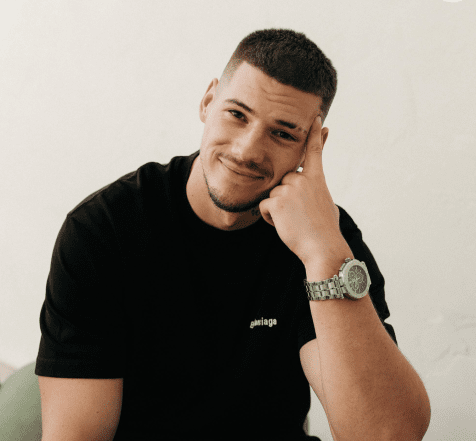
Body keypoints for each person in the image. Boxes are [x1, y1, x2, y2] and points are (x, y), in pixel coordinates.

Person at [35, 28, 429, 441]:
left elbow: (387, 434)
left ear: (312, 145)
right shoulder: (103, 230)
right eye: (237, 114)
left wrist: (322, 255)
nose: (246, 150)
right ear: (208, 102)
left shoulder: (324, 237)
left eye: (283, 133)